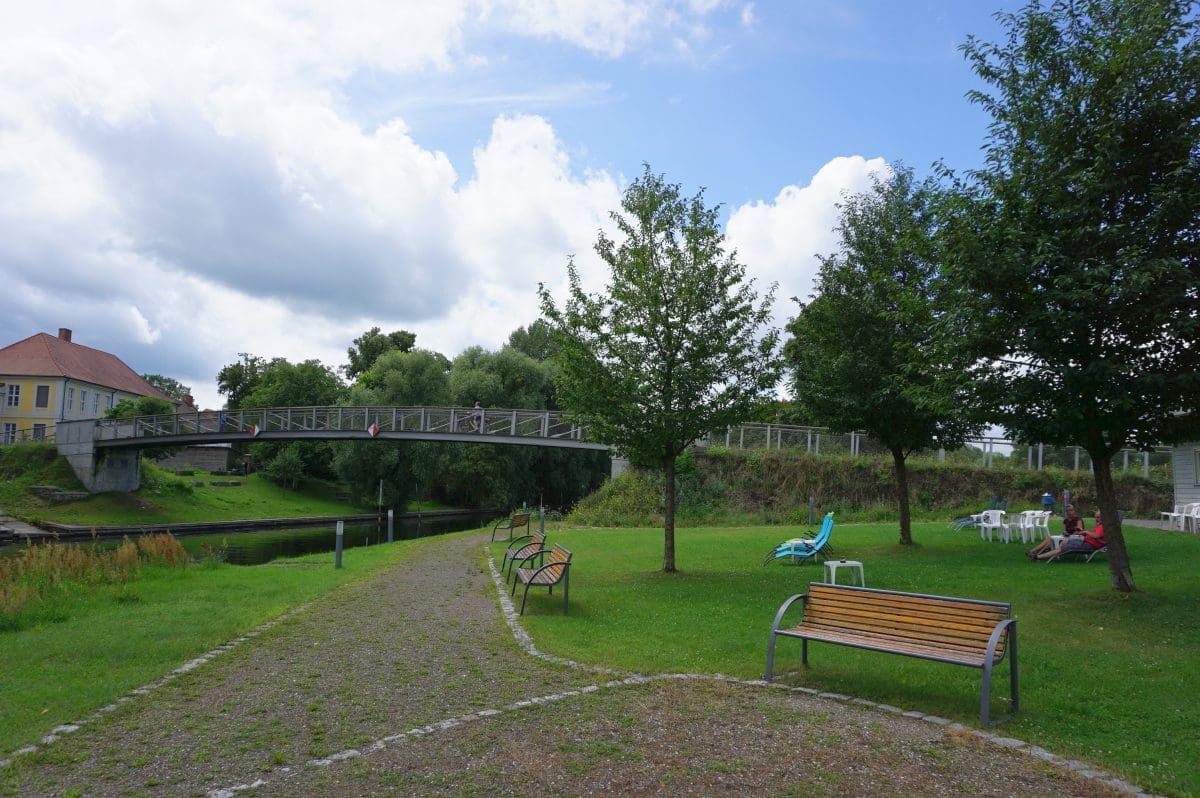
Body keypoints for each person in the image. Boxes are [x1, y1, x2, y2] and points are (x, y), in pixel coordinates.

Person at [1029, 509, 1106, 561]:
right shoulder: (1066, 520)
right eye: (1095, 517)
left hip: (1089, 545)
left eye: (1098, 517)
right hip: (1083, 541)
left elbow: (1097, 536)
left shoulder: (1102, 526)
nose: (1096, 519)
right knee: (1063, 541)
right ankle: (1052, 553)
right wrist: (1083, 532)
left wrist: (1085, 532)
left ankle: (1038, 556)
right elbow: (1064, 530)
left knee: (1061, 546)